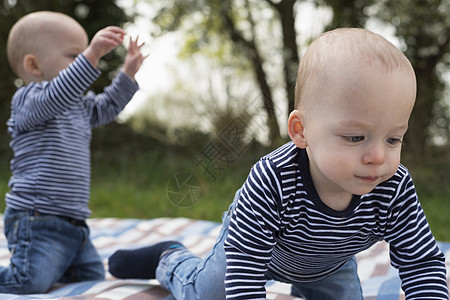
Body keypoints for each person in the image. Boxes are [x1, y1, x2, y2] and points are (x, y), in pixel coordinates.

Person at [108, 28, 448, 299]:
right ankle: (170, 259)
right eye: (355, 137)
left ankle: (304, 284)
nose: (378, 156)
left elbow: (422, 263)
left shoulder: (393, 187)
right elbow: (243, 266)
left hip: (328, 266)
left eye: (393, 139)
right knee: (209, 293)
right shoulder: (274, 178)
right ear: (302, 131)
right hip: (255, 251)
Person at [2, 11, 146, 294]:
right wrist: (92, 55)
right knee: (28, 281)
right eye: (74, 56)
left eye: (84, 56)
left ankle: (59, 263)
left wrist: (127, 74)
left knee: (90, 279)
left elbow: (106, 107)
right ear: (33, 65)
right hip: (36, 218)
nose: (85, 62)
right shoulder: (28, 101)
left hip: (75, 225)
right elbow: (57, 94)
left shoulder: (77, 106)